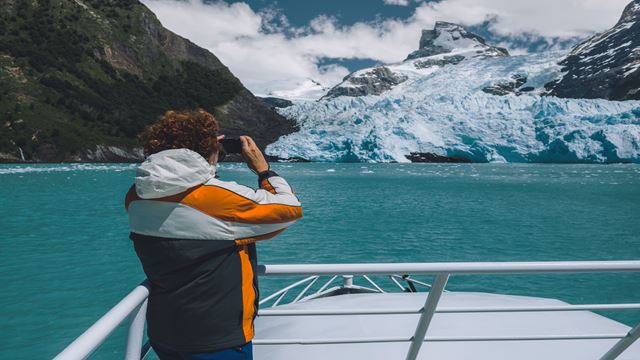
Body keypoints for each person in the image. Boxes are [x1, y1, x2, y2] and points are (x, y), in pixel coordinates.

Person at [124, 110, 302, 360]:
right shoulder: (215, 200)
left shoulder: (136, 196)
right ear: (211, 145)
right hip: (216, 339)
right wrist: (264, 172)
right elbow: (289, 210)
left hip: (165, 332)